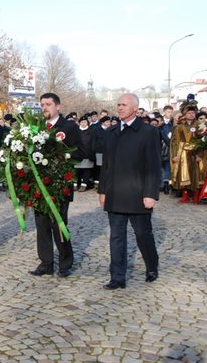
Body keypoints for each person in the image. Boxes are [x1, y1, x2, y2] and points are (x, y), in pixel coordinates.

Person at [98, 93, 161, 290]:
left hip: (138, 193)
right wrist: (102, 190)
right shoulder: (111, 132)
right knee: (116, 236)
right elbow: (105, 164)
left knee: (143, 234)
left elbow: (153, 165)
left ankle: (151, 266)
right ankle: (117, 277)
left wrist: (151, 193)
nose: (120, 108)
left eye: (124, 104)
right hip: (115, 193)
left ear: (135, 108)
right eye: (118, 104)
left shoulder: (148, 132)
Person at [29, 93, 84, 278]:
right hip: (38, 185)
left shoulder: (69, 127)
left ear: (58, 106)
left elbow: (81, 151)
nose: (45, 107)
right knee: (41, 225)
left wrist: (62, 158)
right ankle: (46, 263)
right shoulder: (35, 127)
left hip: (59, 185)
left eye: (49, 104)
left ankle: (65, 263)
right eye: (42, 104)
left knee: (58, 224)